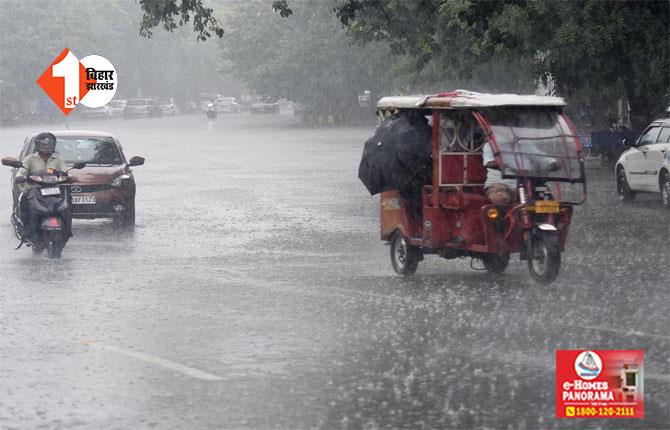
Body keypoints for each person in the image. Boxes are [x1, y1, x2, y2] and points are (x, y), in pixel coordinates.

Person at [15, 132, 71, 241]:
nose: (47, 147)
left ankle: (67, 229)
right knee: (24, 199)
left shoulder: (58, 159)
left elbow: (65, 171)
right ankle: (27, 229)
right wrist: (22, 177)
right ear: (38, 145)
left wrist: (70, 177)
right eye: (44, 145)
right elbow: (21, 172)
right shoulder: (30, 159)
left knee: (68, 199)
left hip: (55, 190)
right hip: (34, 190)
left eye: (49, 144)